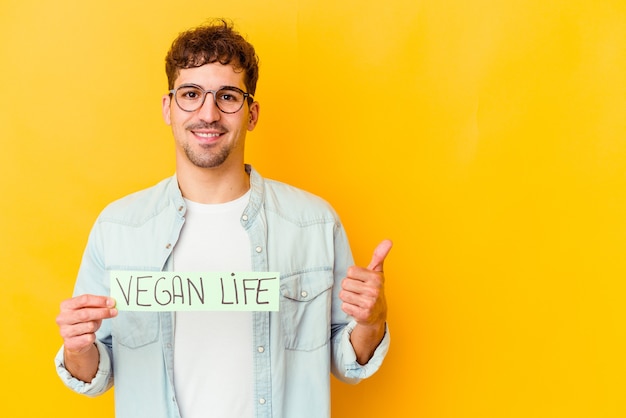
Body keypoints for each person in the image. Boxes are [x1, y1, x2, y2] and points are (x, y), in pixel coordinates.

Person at [55, 19, 391, 418]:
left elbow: (347, 362)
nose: (209, 113)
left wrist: (373, 320)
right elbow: (95, 374)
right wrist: (78, 347)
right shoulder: (118, 228)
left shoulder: (315, 224)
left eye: (228, 96)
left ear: (251, 113)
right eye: (191, 94)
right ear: (168, 107)